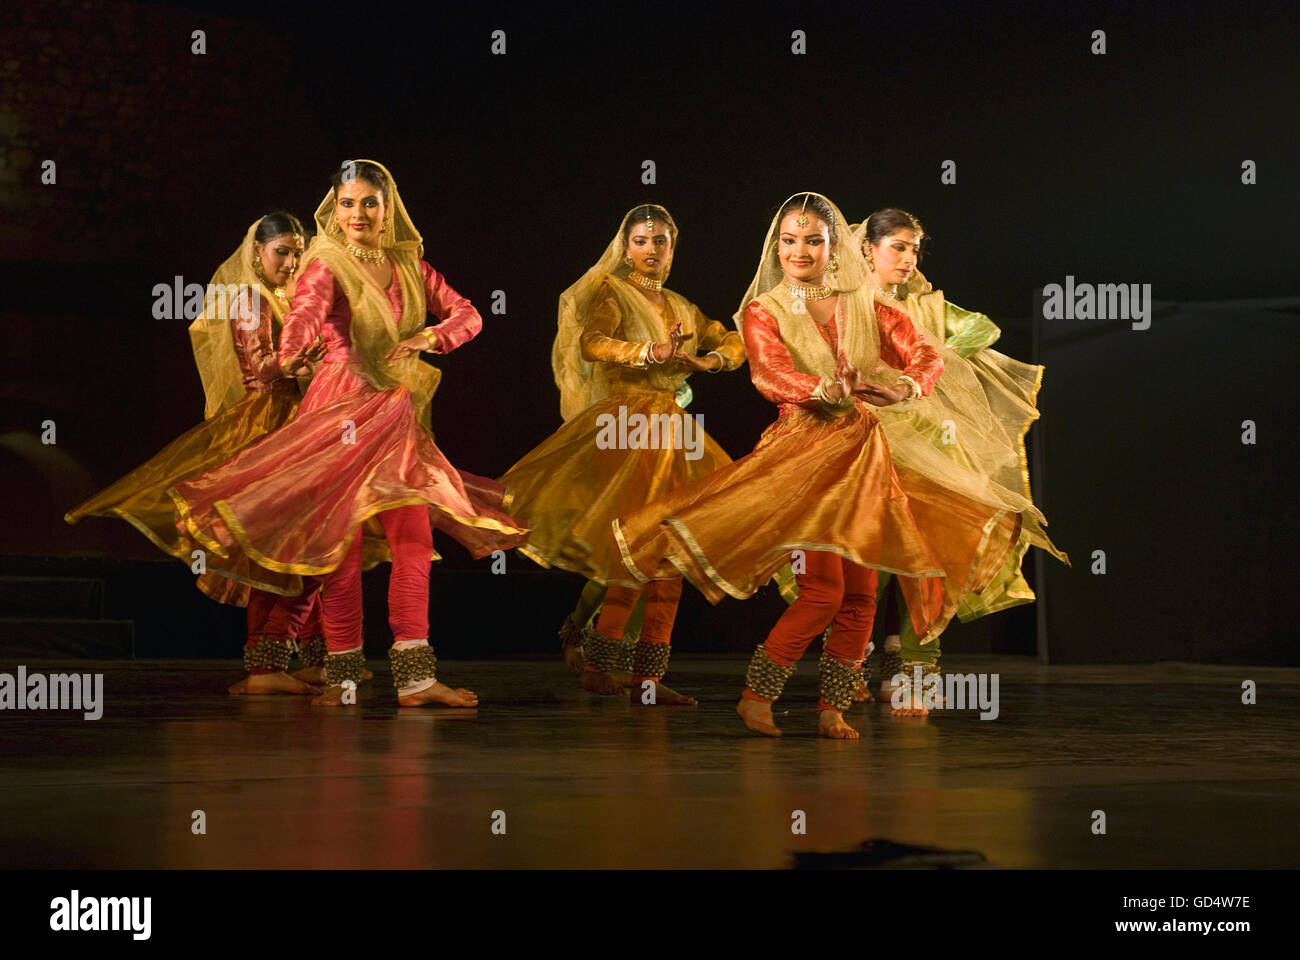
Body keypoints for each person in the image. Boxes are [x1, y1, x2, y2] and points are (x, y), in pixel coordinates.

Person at [616, 193, 1030, 737]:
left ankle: (831, 708)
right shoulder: (765, 310)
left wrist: (905, 384)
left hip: (864, 452)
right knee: (823, 591)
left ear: (836, 248)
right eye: (789, 240)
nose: (799, 250)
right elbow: (767, 376)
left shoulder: (863, 305)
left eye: (813, 239)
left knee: (860, 593)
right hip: (804, 453)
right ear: (777, 245)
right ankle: (757, 695)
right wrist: (823, 387)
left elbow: (925, 352)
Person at [172, 160, 526, 708]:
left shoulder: (410, 264)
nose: (358, 213)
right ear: (333, 210)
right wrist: (293, 353)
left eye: (369, 202)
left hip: (393, 409)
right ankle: (341, 675)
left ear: (389, 208)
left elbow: (470, 314)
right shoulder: (324, 262)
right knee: (342, 544)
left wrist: (429, 338)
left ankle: (414, 677)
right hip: (340, 407)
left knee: (414, 539)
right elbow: (303, 318)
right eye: (347, 203)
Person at [65, 213, 329, 694]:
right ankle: (267, 666)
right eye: (282, 253)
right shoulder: (251, 299)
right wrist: (301, 361)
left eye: (298, 252)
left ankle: (305, 658)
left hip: (301, 421)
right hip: (268, 426)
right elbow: (260, 369)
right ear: (256, 253)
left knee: (314, 542)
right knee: (285, 548)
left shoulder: (293, 297)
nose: (292, 263)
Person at [502, 204, 746, 704]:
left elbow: (733, 340)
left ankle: (646, 677)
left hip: (672, 432)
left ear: (673, 248)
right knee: (635, 546)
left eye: (660, 241)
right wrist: (646, 353)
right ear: (625, 247)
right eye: (640, 241)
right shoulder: (612, 292)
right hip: (627, 428)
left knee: (669, 549)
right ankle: (598, 659)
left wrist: (710, 359)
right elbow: (592, 344)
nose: (651, 250)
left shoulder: (683, 305)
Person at [850, 208, 1068, 711]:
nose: (908, 257)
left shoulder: (929, 307)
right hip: (866, 442)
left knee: (925, 560)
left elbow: (983, 330)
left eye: (914, 247)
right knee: (863, 561)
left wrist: (930, 357)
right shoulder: (846, 307)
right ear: (868, 249)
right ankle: (849, 667)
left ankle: (913, 671)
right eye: (897, 246)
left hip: (929, 448)